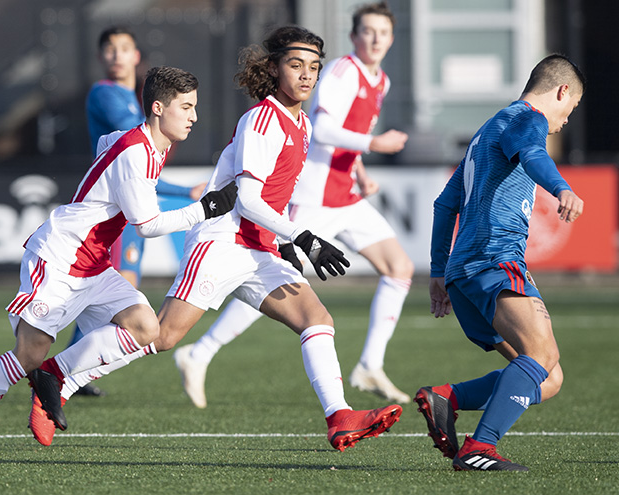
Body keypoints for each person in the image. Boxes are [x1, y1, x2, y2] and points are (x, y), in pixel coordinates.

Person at [29, 26, 402, 452]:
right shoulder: (263, 119)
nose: (306, 75)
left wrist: (280, 243)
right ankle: (57, 377)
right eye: (295, 65)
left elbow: (272, 201)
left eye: (314, 67)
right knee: (163, 335)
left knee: (317, 319)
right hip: (221, 241)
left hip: (255, 246)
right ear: (274, 68)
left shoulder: (302, 125)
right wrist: (303, 237)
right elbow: (247, 197)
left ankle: (339, 417)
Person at [0, 66, 236, 462]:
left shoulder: (150, 144)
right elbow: (147, 225)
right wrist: (203, 209)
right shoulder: (137, 151)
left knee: (145, 327)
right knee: (28, 355)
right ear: (158, 108)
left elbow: (107, 143)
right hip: (59, 255)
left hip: (91, 263)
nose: (194, 116)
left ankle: (53, 377)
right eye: (186, 107)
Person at [174, 1, 413, 409]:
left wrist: (357, 170)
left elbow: (332, 132)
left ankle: (369, 365)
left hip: (345, 195)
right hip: (313, 197)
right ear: (353, 36)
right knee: (274, 275)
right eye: (368, 31)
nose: (376, 39)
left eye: (384, 33)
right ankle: (201, 351)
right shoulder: (339, 72)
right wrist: (373, 145)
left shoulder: (381, 81)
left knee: (399, 268)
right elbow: (325, 130)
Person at [414, 54, 585, 472]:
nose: (565, 120)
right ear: (562, 91)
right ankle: (480, 447)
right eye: (572, 108)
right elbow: (532, 153)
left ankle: (447, 398)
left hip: (463, 272)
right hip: (495, 259)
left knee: (549, 377)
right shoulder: (528, 118)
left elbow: (445, 204)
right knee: (541, 355)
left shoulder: (487, 131)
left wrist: (439, 271)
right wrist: (561, 187)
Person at [64, 26, 206, 398]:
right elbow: (133, 158)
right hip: (117, 207)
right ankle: (66, 366)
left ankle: (70, 367)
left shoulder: (134, 98)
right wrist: (188, 195)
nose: (116, 55)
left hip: (130, 205)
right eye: (109, 49)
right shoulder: (108, 96)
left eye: (124, 48)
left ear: (136, 56)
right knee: (117, 292)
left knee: (122, 290)